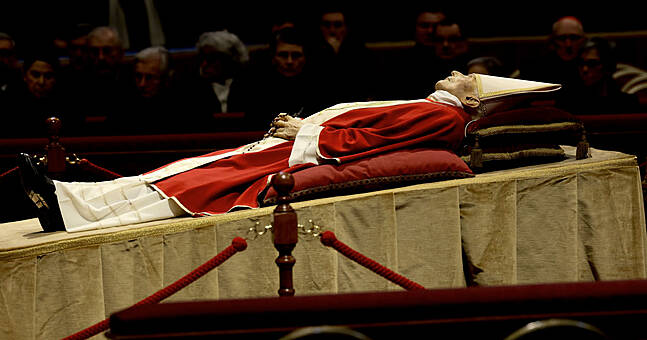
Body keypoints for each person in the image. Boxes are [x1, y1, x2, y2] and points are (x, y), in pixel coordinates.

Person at [17, 71, 561, 233]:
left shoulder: (440, 113)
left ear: (471, 97)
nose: (457, 72)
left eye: (466, 75)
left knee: (192, 182)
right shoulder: (437, 106)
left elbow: (370, 140)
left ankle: (71, 208)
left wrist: (302, 129)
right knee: (185, 172)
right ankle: (69, 197)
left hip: (299, 156)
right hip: (298, 148)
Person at [247, 27, 324, 128]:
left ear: (305, 58)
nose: (289, 61)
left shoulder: (319, 88)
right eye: (283, 55)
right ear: (273, 57)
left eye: (296, 55)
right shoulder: (257, 88)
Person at [175, 30, 252, 131]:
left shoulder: (250, 84)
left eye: (211, 59)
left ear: (230, 59)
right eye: (202, 58)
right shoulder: (190, 88)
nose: (204, 65)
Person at [61, 26, 130, 135]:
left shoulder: (133, 81)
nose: (101, 57)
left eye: (107, 51)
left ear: (121, 52)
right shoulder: (74, 84)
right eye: (94, 51)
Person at [309, 8, 377, 104]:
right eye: (327, 25)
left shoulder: (361, 53)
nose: (332, 30)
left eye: (337, 25)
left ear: (346, 28)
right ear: (320, 28)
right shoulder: (310, 52)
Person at [557, 37, 641, 115]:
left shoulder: (627, 103)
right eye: (581, 63)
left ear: (607, 66)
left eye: (592, 64)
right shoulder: (568, 103)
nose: (585, 69)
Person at [520, 16, 586, 103]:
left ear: (583, 40)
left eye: (573, 38)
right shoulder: (537, 68)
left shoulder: (590, 66)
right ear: (553, 41)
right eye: (562, 38)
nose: (568, 44)